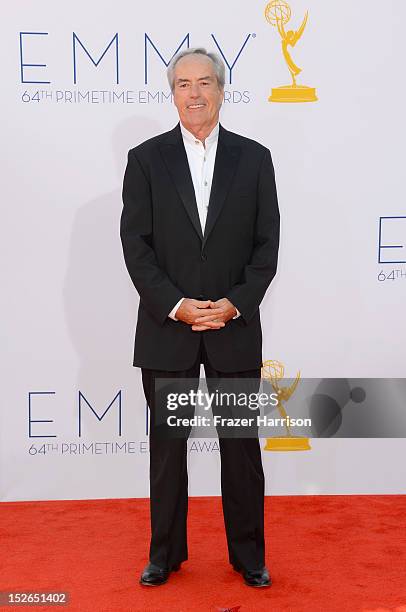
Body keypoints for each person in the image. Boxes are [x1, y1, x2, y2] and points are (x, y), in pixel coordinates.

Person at [120, 47, 280, 588]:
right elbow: (135, 245)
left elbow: (266, 246)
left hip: (234, 327)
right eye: (183, 84)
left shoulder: (255, 159)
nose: (194, 93)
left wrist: (235, 302)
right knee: (167, 453)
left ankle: (249, 556)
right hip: (169, 329)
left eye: (204, 82)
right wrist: (177, 305)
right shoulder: (145, 159)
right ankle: (164, 554)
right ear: (173, 94)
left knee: (241, 450)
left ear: (220, 89)